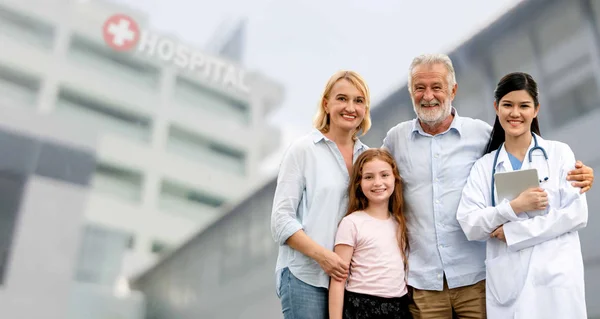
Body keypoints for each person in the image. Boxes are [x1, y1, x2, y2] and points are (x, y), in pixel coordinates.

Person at [382, 53, 595, 319]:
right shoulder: (395, 140)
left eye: (437, 87)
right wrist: (513, 209)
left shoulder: (482, 137)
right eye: (419, 88)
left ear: (453, 90)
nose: (428, 96)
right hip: (425, 282)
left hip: (477, 278)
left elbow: (572, 210)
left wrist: (582, 175)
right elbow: (372, 177)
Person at [456, 72, 588, 318]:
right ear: (496, 107)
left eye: (524, 106)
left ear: (536, 110)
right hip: (509, 286)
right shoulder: (485, 167)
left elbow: (576, 214)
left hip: (555, 281)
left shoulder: (559, 153)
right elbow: (469, 224)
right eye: (507, 105)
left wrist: (513, 232)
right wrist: (512, 208)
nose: (515, 113)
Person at [270, 70, 372, 319]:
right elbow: (280, 221)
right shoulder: (303, 150)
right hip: (305, 277)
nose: (350, 107)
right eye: (342, 99)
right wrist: (323, 257)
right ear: (326, 104)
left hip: (352, 284)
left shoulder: (369, 158)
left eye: (358, 101)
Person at [329, 148, 412, 319]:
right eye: (368, 177)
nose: (377, 182)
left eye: (384, 175)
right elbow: (338, 280)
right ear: (359, 183)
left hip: (399, 307)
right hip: (362, 306)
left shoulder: (400, 223)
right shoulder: (352, 223)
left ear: (395, 178)